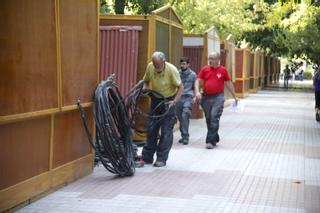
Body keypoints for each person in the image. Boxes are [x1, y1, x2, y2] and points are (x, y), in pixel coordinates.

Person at [141, 51, 183, 167]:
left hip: (169, 101)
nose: (156, 67)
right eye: (155, 65)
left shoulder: (171, 70)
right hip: (155, 100)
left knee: (166, 131)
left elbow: (181, 87)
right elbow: (146, 80)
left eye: (158, 65)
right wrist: (145, 89)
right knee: (151, 128)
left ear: (163, 62)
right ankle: (147, 157)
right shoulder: (150, 67)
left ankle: (161, 158)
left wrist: (174, 101)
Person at [195, 51, 238, 149]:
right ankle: (215, 137)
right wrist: (197, 92)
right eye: (209, 58)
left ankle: (209, 141)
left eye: (212, 58)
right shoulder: (205, 69)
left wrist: (235, 96)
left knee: (214, 117)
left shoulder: (223, 70)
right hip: (206, 97)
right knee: (209, 119)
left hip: (218, 97)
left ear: (218, 60)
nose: (210, 60)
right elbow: (197, 80)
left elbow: (228, 83)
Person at [176, 57, 197, 145]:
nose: (182, 66)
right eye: (181, 64)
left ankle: (185, 136)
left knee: (185, 115)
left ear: (188, 64)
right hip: (179, 98)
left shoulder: (193, 75)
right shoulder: (177, 73)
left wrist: (195, 97)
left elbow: (195, 86)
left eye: (184, 64)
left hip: (188, 97)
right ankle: (183, 135)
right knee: (180, 117)